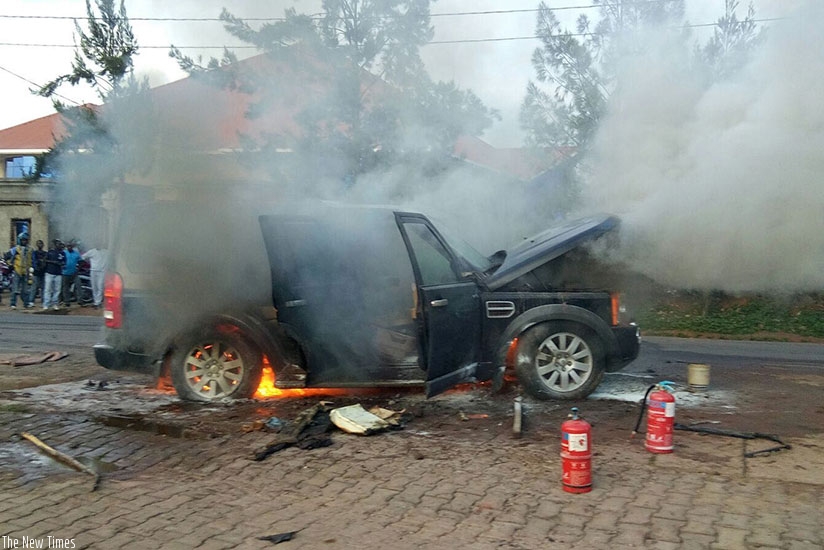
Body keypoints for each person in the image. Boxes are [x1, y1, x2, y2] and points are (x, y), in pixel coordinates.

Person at [5, 233, 34, 309]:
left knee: (26, 289)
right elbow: (6, 257)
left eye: (25, 240)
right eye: (23, 240)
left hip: (26, 272)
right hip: (17, 270)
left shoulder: (30, 249)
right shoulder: (15, 249)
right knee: (15, 288)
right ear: (19, 240)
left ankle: (26, 303)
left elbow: (32, 260)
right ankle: (13, 304)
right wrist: (10, 264)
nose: (24, 241)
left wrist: (32, 268)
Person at [81, 244, 108, 308]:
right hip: (93, 271)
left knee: (100, 286)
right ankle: (96, 301)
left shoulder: (106, 252)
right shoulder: (92, 251)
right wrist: (88, 262)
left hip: (102, 271)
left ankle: (98, 302)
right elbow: (83, 257)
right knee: (94, 287)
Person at [43, 239, 65, 311]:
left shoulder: (62, 253)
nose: (59, 245)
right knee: (48, 289)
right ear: (55, 245)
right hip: (49, 273)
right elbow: (44, 260)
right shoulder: (50, 252)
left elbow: (64, 262)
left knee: (57, 290)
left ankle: (55, 304)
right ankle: (46, 304)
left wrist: (61, 264)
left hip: (58, 273)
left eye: (60, 244)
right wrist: (54, 262)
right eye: (58, 244)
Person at [61, 240, 81, 307]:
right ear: (66, 247)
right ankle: (67, 301)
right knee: (65, 287)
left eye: (70, 246)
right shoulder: (64, 253)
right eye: (68, 246)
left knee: (78, 285)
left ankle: (80, 300)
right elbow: (60, 260)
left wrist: (78, 268)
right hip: (65, 273)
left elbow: (81, 261)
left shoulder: (76, 253)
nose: (69, 247)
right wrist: (62, 266)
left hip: (74, 273)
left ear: (72, 247)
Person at [29, 239, 47, 306]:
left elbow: (46, 261)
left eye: (41, 244)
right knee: (34, 287)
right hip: (36, 272)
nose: (40, 245)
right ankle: (31, 301)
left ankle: (43, 301)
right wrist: (36, 267)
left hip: (43, 272)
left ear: (43, 245)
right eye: (38, 243)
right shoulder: (34, 253)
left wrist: (43, 265)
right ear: (37, 245)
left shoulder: (45, 253)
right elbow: (33, 261)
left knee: (43, 287)